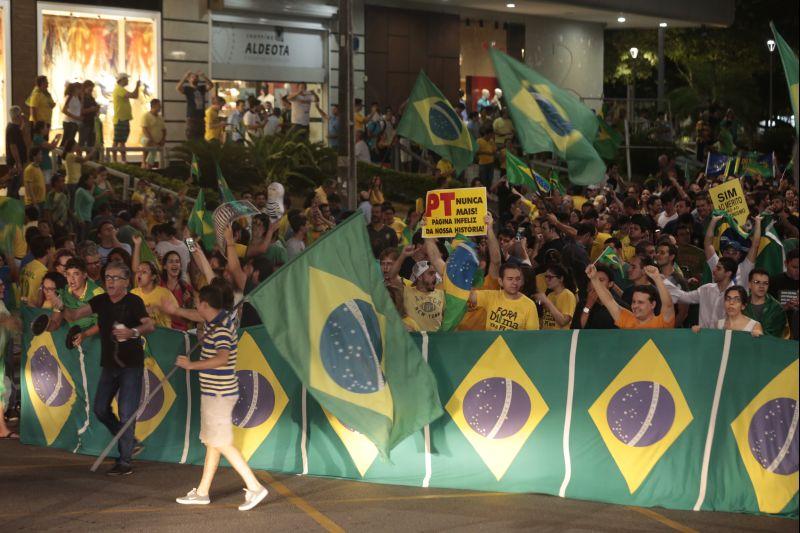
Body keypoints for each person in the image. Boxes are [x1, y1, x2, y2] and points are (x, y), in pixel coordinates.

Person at [52, 262, 155, 476]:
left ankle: (125, 461)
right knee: (100, 408)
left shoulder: (134, 301)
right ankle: (129, 441)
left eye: (116, 278)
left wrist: (132, 332)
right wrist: (60, 305)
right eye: (107, 277)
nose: (110, 281)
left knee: (127, 414)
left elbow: (149, 325)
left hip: (130, 365)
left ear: (126, 281)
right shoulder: (100, 300)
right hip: (109, 365)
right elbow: (73, 316)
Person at [174, 282, 269, 510]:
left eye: (197, 304)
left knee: (222, 443)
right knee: (212, 443)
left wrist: (191, 365)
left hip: (219, 395)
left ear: (205, 304)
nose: (196, 308)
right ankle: (202, 492)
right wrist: (174, 310)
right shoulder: (219, 319)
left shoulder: (222, 328)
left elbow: (223, 358)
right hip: (213, 394)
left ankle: (255, 487)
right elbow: (198, 315)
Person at [586, 263, 675, 329]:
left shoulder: (662, 322)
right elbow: (609, 301)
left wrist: (657, 278)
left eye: (640, 302)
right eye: (633, 302)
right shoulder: (627, 320)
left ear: (653, 304)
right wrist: (594, 278)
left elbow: (668, 304)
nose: (635, 306)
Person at [468, 262, 540, 331]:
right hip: (492, 343)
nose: (515, 283)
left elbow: (533, 337)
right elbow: (469, 295)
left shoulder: (529, 305)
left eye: (517, 279)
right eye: (510, 279)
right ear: (500, 281)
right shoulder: (491, 296)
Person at [693, 286, 763, 337]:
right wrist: (699, 332)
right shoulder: (718, 324)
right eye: (728, 299)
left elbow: (760, 350)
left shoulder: (754, 326)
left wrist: (759, 338)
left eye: (737, 299)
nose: (731, 302)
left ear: (743, 306)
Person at [0, 278, 21, 439]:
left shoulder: (2, 305)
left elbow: (12, 324)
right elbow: (11, 323)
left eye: (2, 283)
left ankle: (2, 428)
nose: (2, 286)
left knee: (1, 392)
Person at [744, 268, 788, 338]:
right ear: (749, 284)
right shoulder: (741, 305)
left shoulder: (777, 308)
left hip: (769, 347)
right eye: (757, 282)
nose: (762, 286)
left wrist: (760, 334)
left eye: (765, 283)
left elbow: (779, 336)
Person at [535, 265, 577, 330]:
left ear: (561, 279)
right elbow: (545, 318)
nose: (546, 280)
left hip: (559, 337)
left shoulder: (568, 295)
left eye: (550, 277)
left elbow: (563, 322)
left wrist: (547, 301)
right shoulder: (550, 295)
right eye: (546, 277)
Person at [112, 73, 141, 163]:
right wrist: (137, 86)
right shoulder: (119, 89)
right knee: (117, 141)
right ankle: (115, 160)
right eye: (126, 79)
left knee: (122, 141)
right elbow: (134, 95)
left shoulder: (120, 90)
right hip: (120, 119)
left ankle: (122, 160)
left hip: (123, 118)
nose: (128, 81)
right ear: (122, 79)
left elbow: (134, 96)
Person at [177, 71, 213, 141]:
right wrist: (185, 77)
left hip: (201, 118)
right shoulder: (188, 89)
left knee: (201, 137)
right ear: (189, 80)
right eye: (192, 77)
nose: (195, 78)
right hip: (192, 117)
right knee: (191, 136)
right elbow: (178, 88)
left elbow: (211, 85)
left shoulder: (201, 88)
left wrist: (204, 76)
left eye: (196, 77)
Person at [5, 105, 29, 199]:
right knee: (14, 186)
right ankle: (11, 206)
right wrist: (18, 162)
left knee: (16, 185)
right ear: (17, 116)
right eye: (20, 115)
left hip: (17, 161)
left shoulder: (14, 127)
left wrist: (22, 126)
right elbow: (13, 146)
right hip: (14, 162)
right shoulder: (12, 129)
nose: (22, 116)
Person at [141, 99, 166, 169]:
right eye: (159, 105)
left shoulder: (160, 117)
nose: (160, 107)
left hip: (156, 143)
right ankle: (143, 162)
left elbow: (164, 130)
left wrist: (163, 139)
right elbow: (144, 129)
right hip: (147, 140)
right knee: (147, 141)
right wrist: (152, 140)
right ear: (154, 106)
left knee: (152, 157)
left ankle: (149, 167)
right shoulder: (146, 115)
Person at [23, 147, 46, 213]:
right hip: (33, 203)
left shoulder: (38, 167)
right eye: (40, 154)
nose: (42, 156)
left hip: (41, 201)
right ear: (34, 156)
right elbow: (29, 188)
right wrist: (34, 203)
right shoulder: (29, 169)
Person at [79, 80, 100, 151]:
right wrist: (91, 109)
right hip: (84, 123)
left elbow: (95, 107)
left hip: (92, 122)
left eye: (92, 89)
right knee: (82, 142)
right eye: (90, 89)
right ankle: (80, 159)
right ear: (85, 88)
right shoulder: (81, 98)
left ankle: (89, 159)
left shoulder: (91, 98)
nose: (91, 91)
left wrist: (97, 108)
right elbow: (80, 111)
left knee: (91, 142)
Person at [61, 82, 83, 147]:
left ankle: (65, 155)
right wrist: (76, 117)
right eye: (80, 89)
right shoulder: (70, 97)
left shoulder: (77, 98)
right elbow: (64, 110)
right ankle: (60, 155)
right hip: (69, 122)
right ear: (76, 89)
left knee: (69, 141)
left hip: (75, 122)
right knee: (66, 141)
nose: (81, 91)